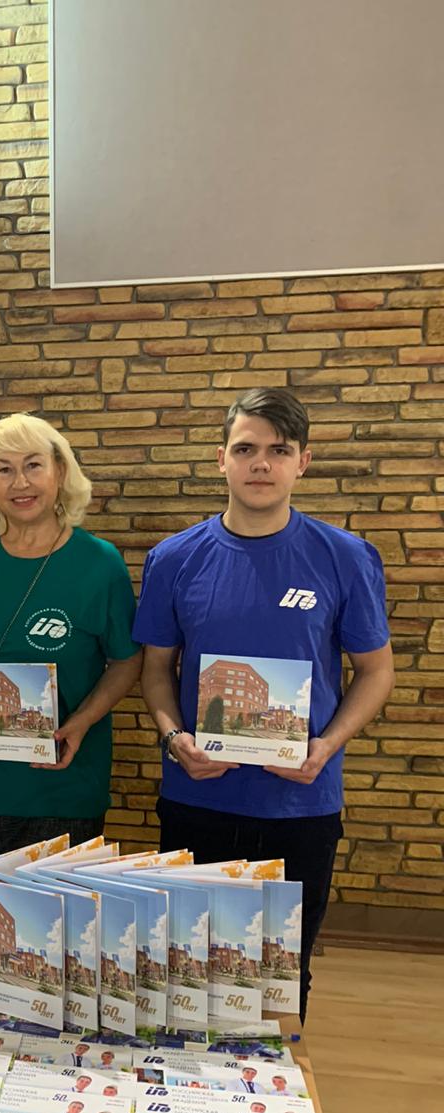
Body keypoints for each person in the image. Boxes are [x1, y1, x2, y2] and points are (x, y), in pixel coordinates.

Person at [133, 388, 394, 1021]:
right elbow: (155, 671)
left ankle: (271, 1079)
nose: (260, 464)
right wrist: (173, 739)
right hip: (198, 797)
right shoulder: (173, 559)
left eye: (278, 450)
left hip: (300, 804)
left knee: (279, 976)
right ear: (220, 458)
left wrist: (325, 747)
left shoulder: (345, 557)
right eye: (246, 448)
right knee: (186, 970)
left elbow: (376, 672)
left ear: (302, 462)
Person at [0, 413, 143, 863]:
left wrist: (81, 722)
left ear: (60, 471)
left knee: (61, 908)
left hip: (64, 782)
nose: (20, 482)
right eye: (3, 469)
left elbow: (126, 661)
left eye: (33, 465)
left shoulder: (99, 564)